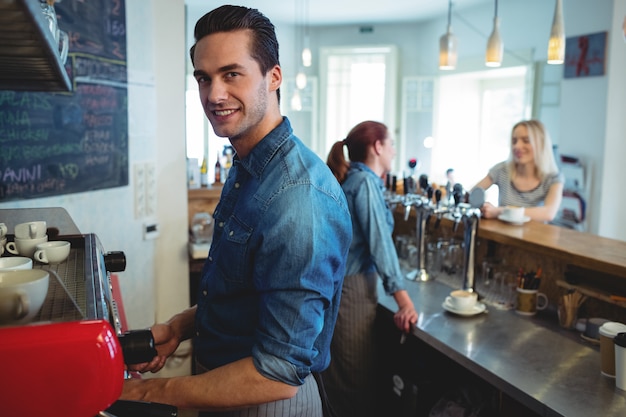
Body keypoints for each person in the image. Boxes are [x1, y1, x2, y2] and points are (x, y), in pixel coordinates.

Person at [120, 6, 352, 416]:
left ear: (273, 77)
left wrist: (149, 392)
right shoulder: (248, 167)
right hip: (224, 389)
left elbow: (277, 373)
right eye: (204, 78)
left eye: (232, 74)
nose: (214, 94)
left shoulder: (300, 199)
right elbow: (240, 294)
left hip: (265, 400)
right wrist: (178, 328)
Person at [324, 121, 418, 417]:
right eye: (391, 144)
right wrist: (404, 302)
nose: (393, 150)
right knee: (355, 384)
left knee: (344, 380)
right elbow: (380, 243)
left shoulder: (353, 179)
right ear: (377, 147)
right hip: (352, 292)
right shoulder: (364, 183)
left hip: (347, 287)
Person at [473, 119, 564, 222]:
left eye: (526, 141)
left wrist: (499, 211)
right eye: (514, 141)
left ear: (541, 144)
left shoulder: (553, 178)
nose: (517, 146)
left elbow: (548, 213)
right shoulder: (501, 170)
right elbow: (472, 194)